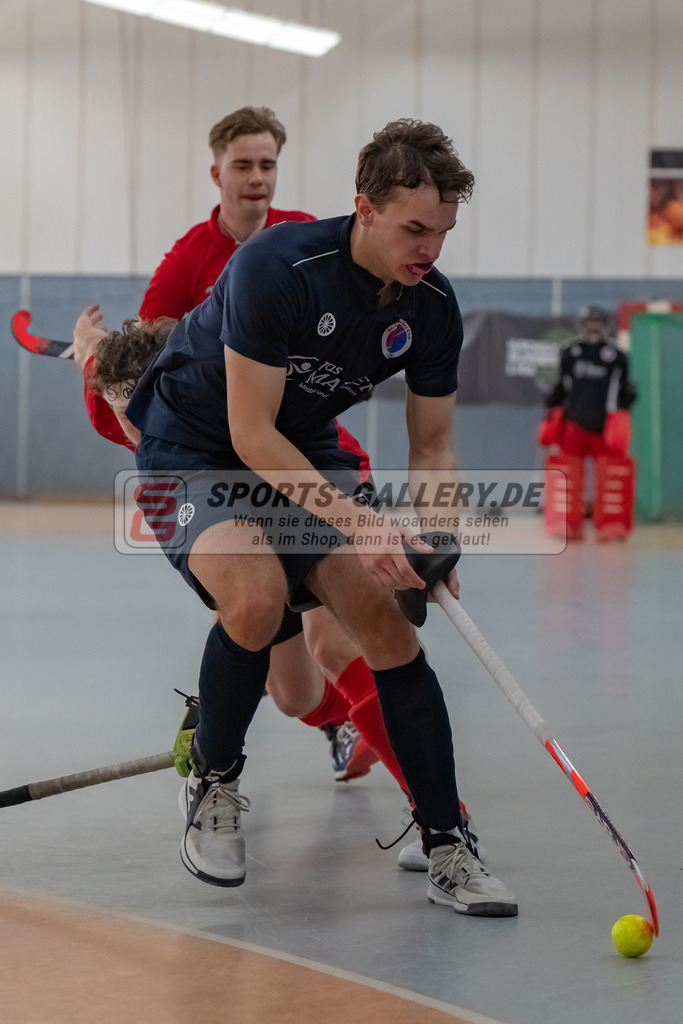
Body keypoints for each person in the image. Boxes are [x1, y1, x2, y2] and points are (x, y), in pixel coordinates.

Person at [121, 117, 517, 917]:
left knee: (384, 620)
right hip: (196, 449)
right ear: (363, 208)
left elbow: (433, 442)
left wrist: (434, 537)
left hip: (300, 449)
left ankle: (445, 840)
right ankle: (214, 781)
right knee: (258, 597)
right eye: (413, 227)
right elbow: (249, 432)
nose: (429, 249)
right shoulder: (276, 267)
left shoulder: (431, 305)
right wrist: (366, 524)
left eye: (442, 231)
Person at [73, 106, 379, 784]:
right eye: (242, 166)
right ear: (217, 173)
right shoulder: (188, 261)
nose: (256, 178)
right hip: (227, 477)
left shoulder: (305, 238)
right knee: (293, 691)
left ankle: (434, 812)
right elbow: (140, 378)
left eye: (267, 165)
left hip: (306, 456)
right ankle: (333, 721)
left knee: (335, 639)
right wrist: (95, 365)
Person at [540, 306, 637, 541]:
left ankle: (610, 525)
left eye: (597, 321)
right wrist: (550, 413)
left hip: (605, 427)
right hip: (574, 423)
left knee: (609, 478)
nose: (592, 325)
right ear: (581, 324)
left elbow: (625, 391)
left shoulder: (617, 356)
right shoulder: (570, 352)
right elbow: (561, 389)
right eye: (588, 321)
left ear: (604, 324)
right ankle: (568, 525)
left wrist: (622, 415)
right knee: (569, 477)